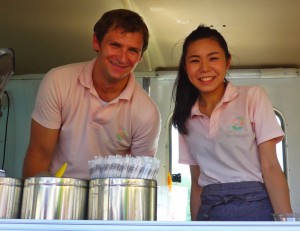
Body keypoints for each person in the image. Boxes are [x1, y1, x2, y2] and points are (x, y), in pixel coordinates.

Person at [172, 25, 292, 221]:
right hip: (210, 213)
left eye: (213, 58)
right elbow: (196, 183)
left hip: (255, 208)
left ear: (227, 62)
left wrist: (286, 223)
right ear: (186, 68)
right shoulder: (185, 116)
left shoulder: (252, 96)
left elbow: (270, 166)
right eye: (195, 60)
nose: (204, 68)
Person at [22, 9, 161, 180]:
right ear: (96, 42)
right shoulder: (58, 81)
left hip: (109, 200)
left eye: (132, 50)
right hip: (58, 195)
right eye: (115, 45)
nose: (123, 58)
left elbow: (139, 179)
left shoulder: (147, 113)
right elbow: (40, 155)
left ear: (140, 57)